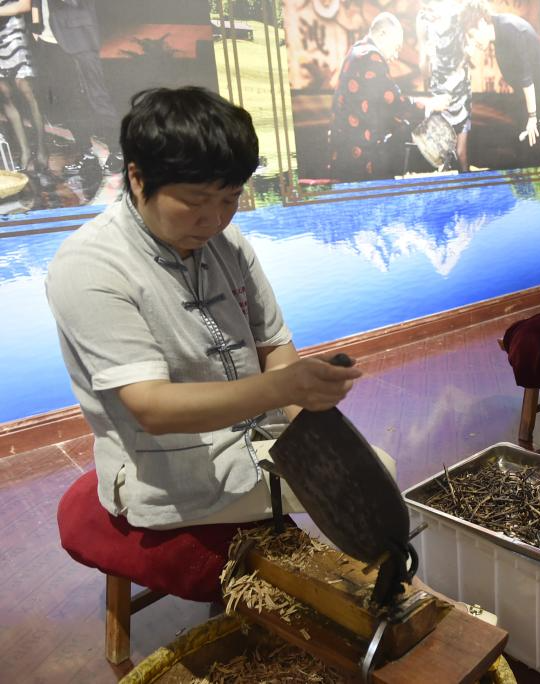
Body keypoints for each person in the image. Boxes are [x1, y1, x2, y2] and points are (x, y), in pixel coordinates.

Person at [45, 86, 380, 530]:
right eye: (195, 201)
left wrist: (314, 435)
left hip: (259, 444)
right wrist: (285, 389)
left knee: (372, 478)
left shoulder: (227, 243)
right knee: (377, 485)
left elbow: (273, 347)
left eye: (229, 199)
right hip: (168, 478)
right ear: (138, 178)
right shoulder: (89, 265)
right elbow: (152, 408)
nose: (215, 220)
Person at [329, 12, 446, 182]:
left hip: (344, 152)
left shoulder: (357, 50)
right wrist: (431, 104)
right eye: (396, 47)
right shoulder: (371, 57)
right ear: (383, 34)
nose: (396, 55)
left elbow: (379, 103)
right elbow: (395, 102)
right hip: (359, 156)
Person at [31, 0, 121, 175]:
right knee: (69, 100)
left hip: (78, 36)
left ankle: (117, 151)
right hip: (49, 38)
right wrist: (36, 25)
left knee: (97, 96)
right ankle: (86, 152)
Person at [460, 0, 540, 163]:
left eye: (472, 35)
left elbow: (527, 79)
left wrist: (532, 117)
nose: (473, 41)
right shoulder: (499, 30)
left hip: (538, 102)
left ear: (481, 22)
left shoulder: (510, 29)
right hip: (526, 100)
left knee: (529, 155)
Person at [416, 0, 471, 172]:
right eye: (425, 8)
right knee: (438, 155)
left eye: (432, 8)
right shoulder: (422, 20)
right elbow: (423, 64)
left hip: (459, 92)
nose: (429, 13)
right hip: (437, 95)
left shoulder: (459, 17)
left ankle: (467, 186)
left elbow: (466, 58)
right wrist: (426, 58)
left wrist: (450, 86)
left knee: (461, 154)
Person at [0, 0, 47, 172]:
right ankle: (25, 151)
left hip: (15, 32)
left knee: (28, 91)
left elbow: (25, 5)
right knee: (5, 95)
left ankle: (42, 148)